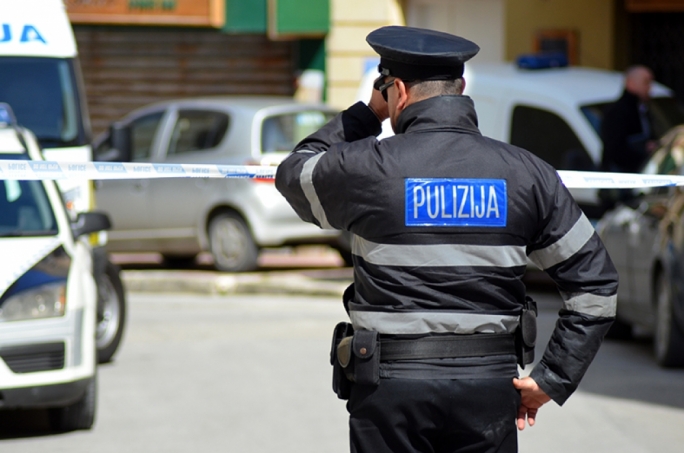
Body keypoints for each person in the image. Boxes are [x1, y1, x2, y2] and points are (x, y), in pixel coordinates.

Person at [276, 25, 618, 453]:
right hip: (490, 390)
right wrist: (553, 378)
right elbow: (596, 286)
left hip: (389, 392)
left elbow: (294, 171)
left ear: (398, 91)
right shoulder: (527, 174)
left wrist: (368, 113)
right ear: (462, 89)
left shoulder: (366, 169)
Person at [600, 65, 658, 173]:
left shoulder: (642, 108)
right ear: (631, 83)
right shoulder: (617, 111)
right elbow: (615, 149)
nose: (650, 88)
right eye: (646, 82)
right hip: (622, 176)